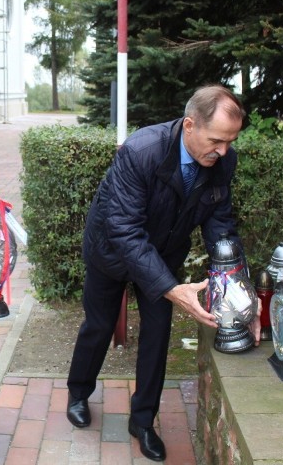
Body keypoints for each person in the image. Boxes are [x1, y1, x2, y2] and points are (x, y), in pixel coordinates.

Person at [64, 85, 259, 462]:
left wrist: (242, 296)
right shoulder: (142, 151)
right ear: (190, 125)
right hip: (112, 250)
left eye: (230, 142)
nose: (223, 151)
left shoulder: (222, 162)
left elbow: (221, 229)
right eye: (217, 140)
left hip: (165, 252)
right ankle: (78, 392)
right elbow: (124, 229)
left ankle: (142, 420)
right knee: (99, 326)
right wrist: (171, 287)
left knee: (157, 334)